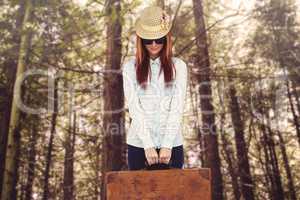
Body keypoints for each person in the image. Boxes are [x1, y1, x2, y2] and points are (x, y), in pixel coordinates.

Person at [122, 6, 188, 170]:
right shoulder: (130, 67)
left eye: (158, 39)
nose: (153, 44)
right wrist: (148, 145)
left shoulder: (178, 66)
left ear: (166, 39)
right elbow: (134, 107)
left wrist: (167, 145)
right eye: (147, 40)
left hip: (172, 145)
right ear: (140, 40)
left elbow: (177, 107)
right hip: (139, 145)